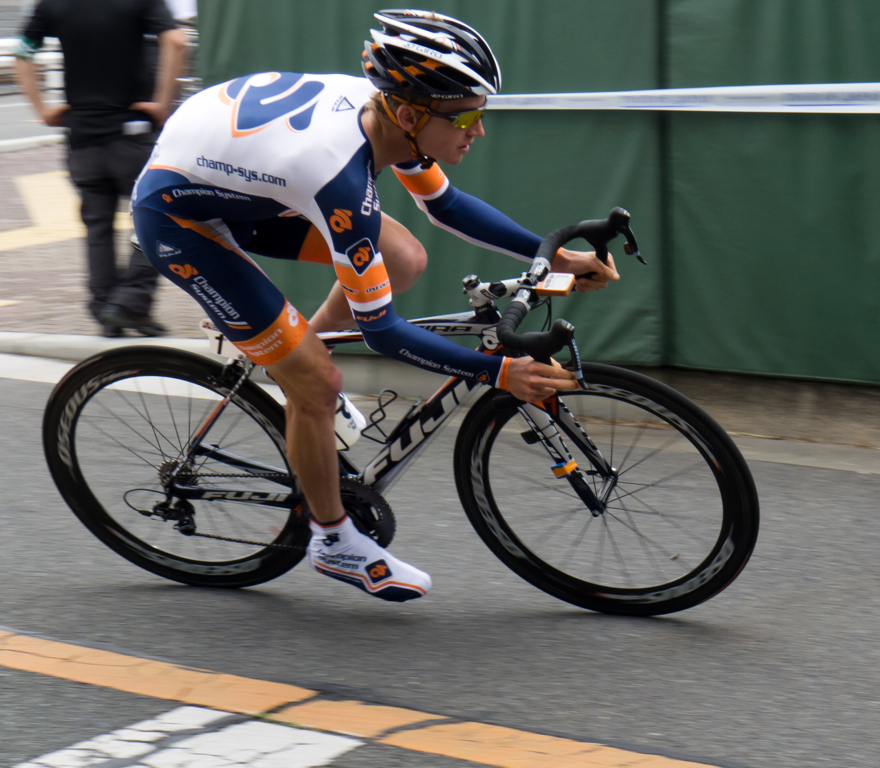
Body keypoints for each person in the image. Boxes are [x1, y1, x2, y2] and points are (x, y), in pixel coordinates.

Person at [129, 9, 620, 602]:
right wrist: (500, 372)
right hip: (179, 219)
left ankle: (288, 355)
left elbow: (448, 206)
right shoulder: (338, 178)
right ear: (411, 114)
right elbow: (383, 333)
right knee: (316, 383)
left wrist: (558, 256)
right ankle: (332, 539)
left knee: (406, 259)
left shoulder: (391, 113)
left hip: (244, 183)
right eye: (466, 116)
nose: (478, 130)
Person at [14, 0, 188, 337]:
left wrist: (43, 109)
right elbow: (177, 41)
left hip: (81, 139)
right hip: (132, 135)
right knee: (163, 216)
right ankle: (131, 302)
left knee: (98, 227)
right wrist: (163, 103)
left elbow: (22, 52)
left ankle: (106, 307)